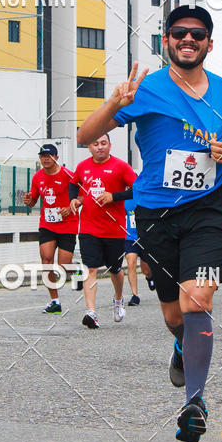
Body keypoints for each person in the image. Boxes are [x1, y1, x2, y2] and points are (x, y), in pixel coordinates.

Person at [76, 5, 222, 442]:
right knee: (175, 313)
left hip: (213, 211)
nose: (188, 39)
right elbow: (84, 136)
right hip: (157, 213)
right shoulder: (146, 89)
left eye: (197, 34)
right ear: (168, 41)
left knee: (198, 299)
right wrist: (115, 103)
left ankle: (195, 401)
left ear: (210, 43)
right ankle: (181, 343)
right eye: (179, 33)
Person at [69, 134, 136, 329]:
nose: (100, 147)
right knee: (90, 268)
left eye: (103, 143)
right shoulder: (82, 166)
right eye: (95, 144)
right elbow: (74, 184)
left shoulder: (121, 166)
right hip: (88, 227)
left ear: (110, 145)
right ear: (89, 147)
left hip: (114, 229)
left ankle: (118, 299)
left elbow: (137, 188)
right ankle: (91, 312)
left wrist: (114, 196)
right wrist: (74, 198)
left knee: (115, 269)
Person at [23, 144, 79, 313]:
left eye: (49, 155)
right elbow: (33, 200)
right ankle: (55, 301)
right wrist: (28, 201)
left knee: (63, 267)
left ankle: (76, 269)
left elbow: (82, 194)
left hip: (68, 224)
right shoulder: (37, 177)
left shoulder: (69, 175)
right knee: (46, 261)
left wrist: (70, 207)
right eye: (43, 156)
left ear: (57, 158)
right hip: (47, 224)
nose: (46, 159)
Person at [123, 197, 154, 306]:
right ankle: (135, 296)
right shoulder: (124, 198)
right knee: (131, 263)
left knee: (146, 270)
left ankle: (150, 277)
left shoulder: (143, 196)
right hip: (130, 237)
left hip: (144, 237)